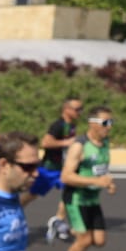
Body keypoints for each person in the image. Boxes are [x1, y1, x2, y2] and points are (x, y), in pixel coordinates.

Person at [53, 106, 116, 251]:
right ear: (92, 123)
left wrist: (108, 183)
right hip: (76, 199)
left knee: (100, 241)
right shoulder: (79, 146)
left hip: (93, 199)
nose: (109, 126)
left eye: (111, 122)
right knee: (85, 240)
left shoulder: (105, 143)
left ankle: (62, 227)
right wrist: (96, 182)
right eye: (105, 122)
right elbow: (66, 177)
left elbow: (99, 170)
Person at [36, 97, 84, 242]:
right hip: (49, 168)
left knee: (71, 192)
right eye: (77, 109)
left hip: (63, 168)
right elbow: (46, 142)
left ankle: (58, 221)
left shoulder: (72, 125)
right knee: (31, 195)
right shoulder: (58, 125)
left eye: (81, 109)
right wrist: (67, 142)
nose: (80, 112)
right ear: (66, 109)